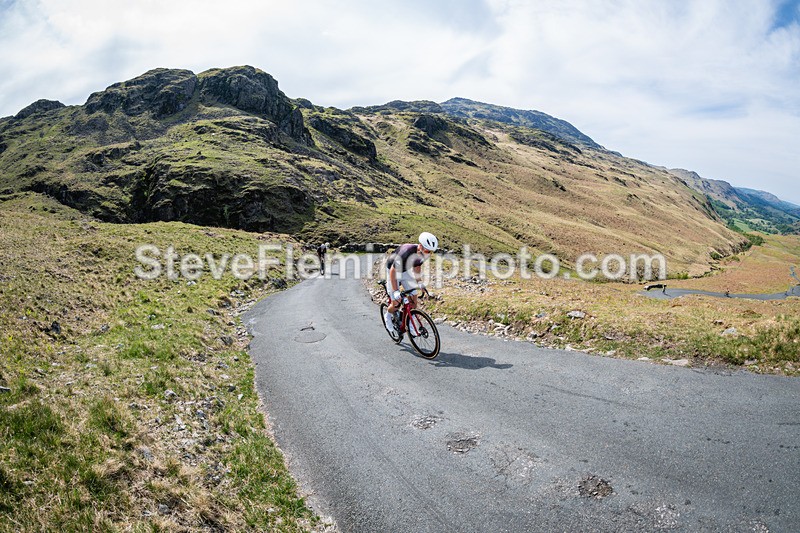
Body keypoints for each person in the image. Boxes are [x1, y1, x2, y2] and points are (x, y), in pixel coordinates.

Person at [384, 232, 438, 334]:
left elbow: (417, 267)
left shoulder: (423, 254)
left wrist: (420, 282)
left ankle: (410, 322)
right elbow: (393, 271)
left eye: (431, 252)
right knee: (396, 302)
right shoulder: (406, 251)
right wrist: (396, 291)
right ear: (420, 246)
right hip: (393, 270)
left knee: (413, 298)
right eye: (427, 251)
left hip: (405, 271)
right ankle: (388, 315)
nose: (429, 254)